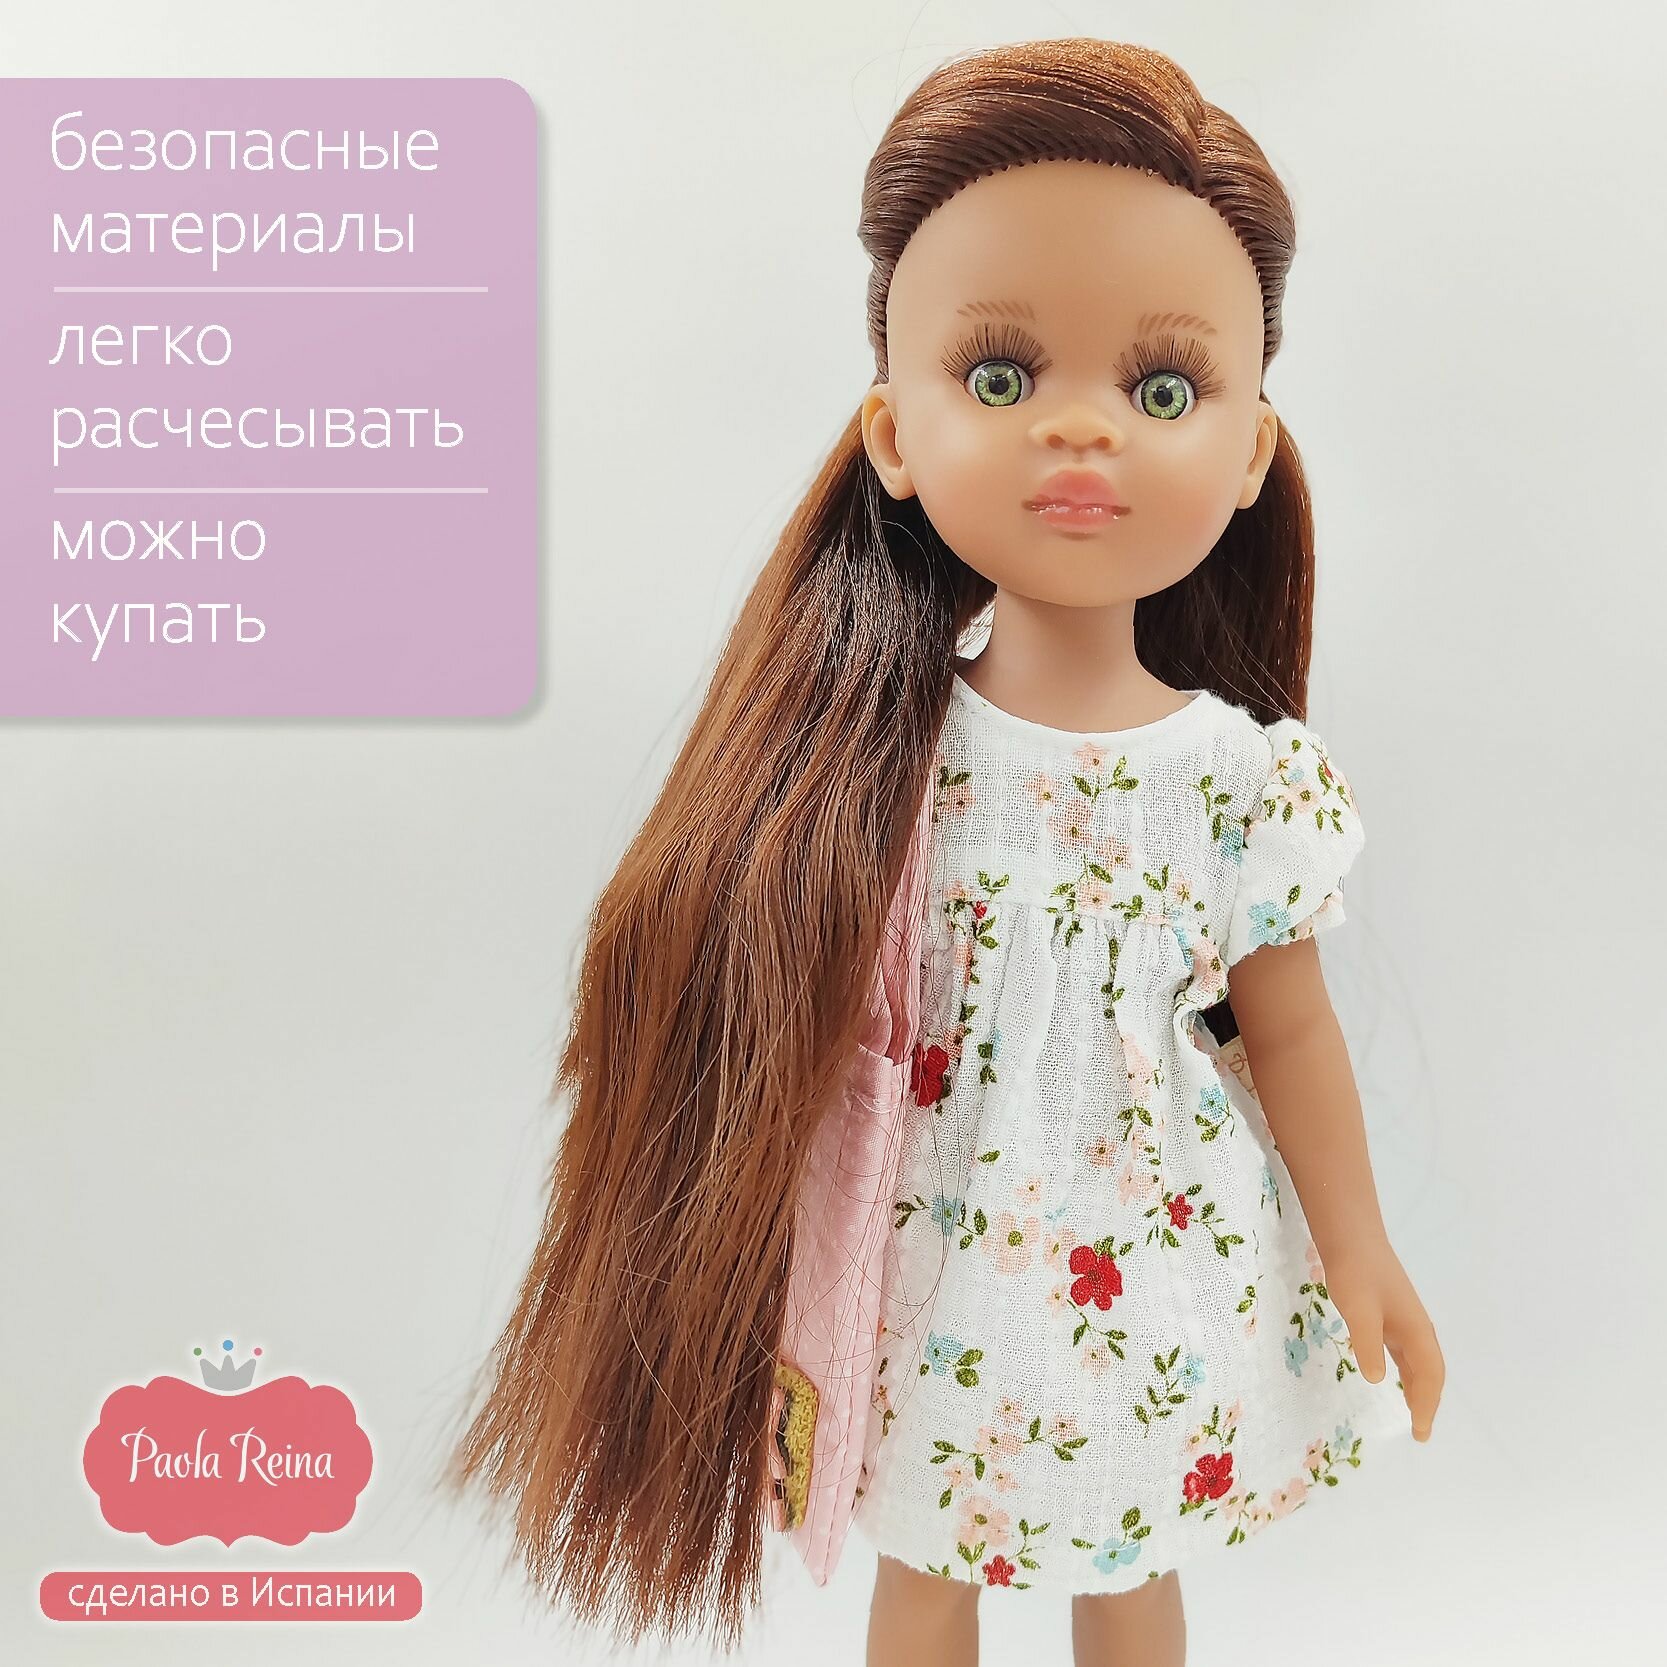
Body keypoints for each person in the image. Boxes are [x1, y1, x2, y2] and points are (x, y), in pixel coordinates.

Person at [446, 37, 1445, 1667]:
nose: (1082, 432)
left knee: (1128, 1560)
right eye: (998, 378)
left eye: (1164, 390)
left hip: (1156, 1248)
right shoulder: (876, 753)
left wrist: (1360, 1251)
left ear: (1253, 450)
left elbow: (1293, 1029)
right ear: (894, 436)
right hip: (925, 1252)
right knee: (928, 1563)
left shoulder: (1240, 780)